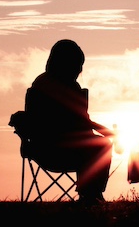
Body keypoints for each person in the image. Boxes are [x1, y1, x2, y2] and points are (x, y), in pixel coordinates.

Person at [21, 39, 113, 203]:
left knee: (99, 145)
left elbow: (83, 122)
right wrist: (108, 133)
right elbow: (81, 122)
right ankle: (91, 194)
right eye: (77, 65)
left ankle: (90, 193)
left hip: (43, 149)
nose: (79, 70)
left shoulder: (42, 83)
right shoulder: (54, 87)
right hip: (56, 150)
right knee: (102, 146)